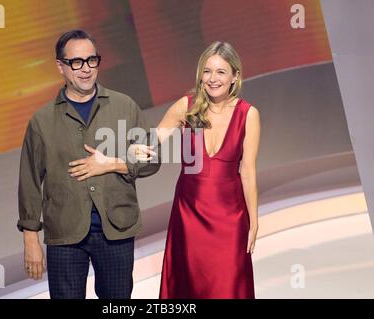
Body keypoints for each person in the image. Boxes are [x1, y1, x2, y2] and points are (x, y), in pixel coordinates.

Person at [17, 29, 160, 299]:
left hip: (116, 230)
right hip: (65, 236)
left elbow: (154, 158)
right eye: (76, 62)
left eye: (92, 60)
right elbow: (30, 183)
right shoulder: (42, 121)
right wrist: (30, 240)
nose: (86, 69)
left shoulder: (124, 106)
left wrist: (114, 164)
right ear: (60, 66)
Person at [135, 41, 260, 298]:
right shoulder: (187, 105)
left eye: (221, 72)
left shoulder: (249, 114)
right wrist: (132, 149)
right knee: (189, 287)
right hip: (189, 215)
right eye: (207, 71)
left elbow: (247, 171)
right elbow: (155, 137)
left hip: (230, 219)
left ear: (235, 76)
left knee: (227, 286)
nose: (213, 79)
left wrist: (254, 220)